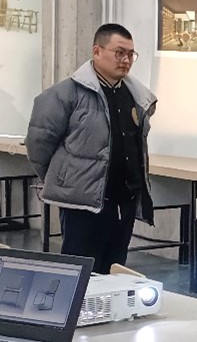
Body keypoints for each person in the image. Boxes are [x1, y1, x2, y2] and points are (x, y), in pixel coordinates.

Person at [26, 24, 156, 274]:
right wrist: (64, 180)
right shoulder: (65, 93)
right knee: (81, 272)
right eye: (119, 53)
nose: (126, 60)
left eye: (131, 54)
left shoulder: (135, 95)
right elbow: (38, 144)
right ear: (97, 52)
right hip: (83, 204)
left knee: (115, 270)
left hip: (123, 201)